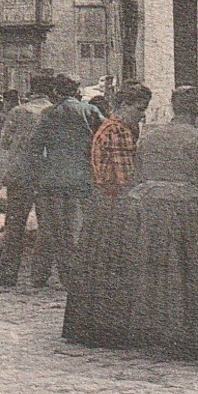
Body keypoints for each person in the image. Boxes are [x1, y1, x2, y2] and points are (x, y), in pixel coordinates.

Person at [63, 85, 198, 353]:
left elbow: (138, 172)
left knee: (152, 268)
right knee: (189, 267)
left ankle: (150, 325)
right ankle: (188, 327)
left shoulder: (152, 136)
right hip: (185, 207)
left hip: (147, 206)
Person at [63, 83, 152, 343]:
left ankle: (93, 326)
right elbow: (125, 178)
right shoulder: (119, 131)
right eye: (139, 108)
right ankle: (112, 329)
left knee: (96, 268)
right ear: (123, 106)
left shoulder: (110, 127)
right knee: (115, 267)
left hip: (102, 205)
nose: (142, 114)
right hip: (116, 204)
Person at [28, 74, 104, 287]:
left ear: (56, 92)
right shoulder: (90, 111)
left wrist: (42, 169)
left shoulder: (49, 113)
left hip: (51, 180)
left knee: (48, 230)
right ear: (77, 89)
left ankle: (39, 277)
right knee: (75, 229)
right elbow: (105, 140)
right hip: (81, 178)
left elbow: (34, 147)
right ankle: (71, 277)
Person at [0, 71, 55, 285]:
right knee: (46, 226)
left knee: (14, 225)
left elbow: (5, 144)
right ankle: (40, 274)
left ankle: (8, 273)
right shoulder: (53, 112)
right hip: (47, 175)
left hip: (20, 175)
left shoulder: (17, 112)